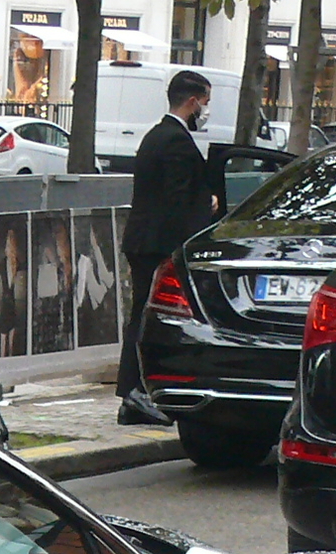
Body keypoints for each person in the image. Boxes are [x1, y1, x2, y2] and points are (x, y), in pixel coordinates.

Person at [117, 68, 220, 426]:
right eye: (205, 102)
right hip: (159, 244)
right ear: (192, 101)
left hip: (143, 239)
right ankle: (137, 391)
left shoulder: (155, 135)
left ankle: (134, 393)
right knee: (148, 320)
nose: (206, 110)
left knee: (140, 316)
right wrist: (203, 207)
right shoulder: (176, 140)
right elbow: (176, 199)